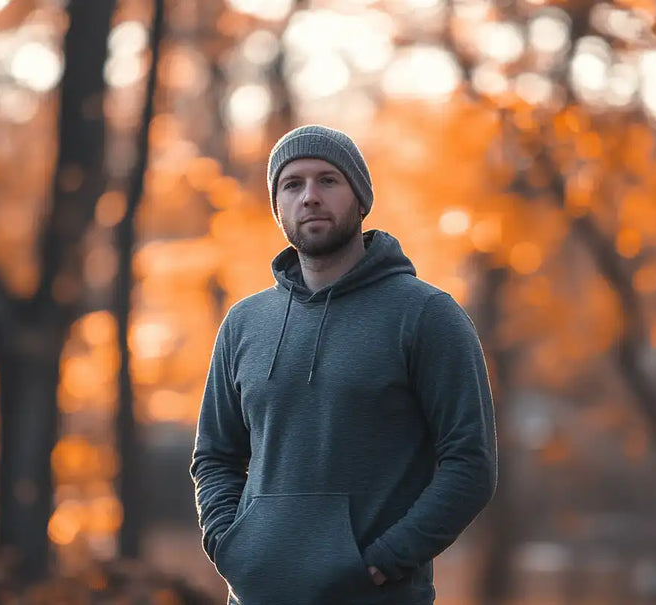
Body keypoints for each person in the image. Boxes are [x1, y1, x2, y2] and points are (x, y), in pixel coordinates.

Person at [190, 124, 498, 604]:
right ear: (278, 207)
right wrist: (230, 545)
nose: (309, 196)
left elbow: (470, 465)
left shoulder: (425, 315)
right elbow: (215, 455)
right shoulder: (244, 322)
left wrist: (380, 563)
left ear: (360, 198)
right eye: (292, 185)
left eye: (327, 180)